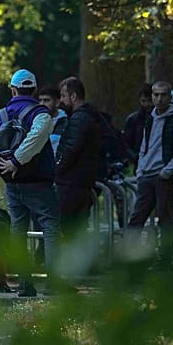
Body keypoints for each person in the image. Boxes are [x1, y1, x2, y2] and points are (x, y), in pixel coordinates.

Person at [0, 69, 59, 297]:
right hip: (38, 182)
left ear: (12, 89)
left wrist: (3, 170)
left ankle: (25, 284)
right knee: (50, 228)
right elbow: (36, 139)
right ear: (34, 90)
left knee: (18, 230)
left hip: (12, 184)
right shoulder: (41, 114)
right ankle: (53, 283)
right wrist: (16, 161)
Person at [126, 80, 173, 256]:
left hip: (163, 175)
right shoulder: (150, 118)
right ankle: (127, 257)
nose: (159, 99)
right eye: (156, 95)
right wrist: (140, 170)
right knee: (136, 219)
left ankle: (165, 259)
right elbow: (144, 146)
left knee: (164, 220)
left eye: (163, 95)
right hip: (146, 174)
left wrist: (166, 172)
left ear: (170, 96)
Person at [53, 76, 103, 248]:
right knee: (78, 230)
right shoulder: (91, 117)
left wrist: (57, 168)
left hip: (70, 184)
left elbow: (71, 149)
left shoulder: (78, 119)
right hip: (82, 182)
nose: (60, 101)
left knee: (66, 229)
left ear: (73, 97)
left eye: (63, 96)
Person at [122, 82, 154, 167]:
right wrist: (135, 158)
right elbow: (126, 143)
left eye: (149, 100)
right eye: (143, 101)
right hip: (139, 161)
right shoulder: (133, 120)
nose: (147, 104)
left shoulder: (159, 118)